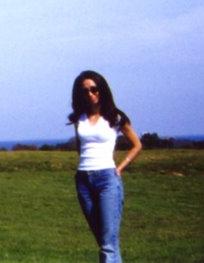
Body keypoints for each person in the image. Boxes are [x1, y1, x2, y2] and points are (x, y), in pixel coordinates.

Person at [68, 70, 143, 263]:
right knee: (104, 241)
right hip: (83, 181)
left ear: (102, 90)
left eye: (94, 89)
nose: (91, 94)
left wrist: (119, 168)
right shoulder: (79, 119)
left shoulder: (115, 117)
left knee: (109, 244)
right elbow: (81, 147)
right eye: (85, 91)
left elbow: (137, 145)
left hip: (107, 180)